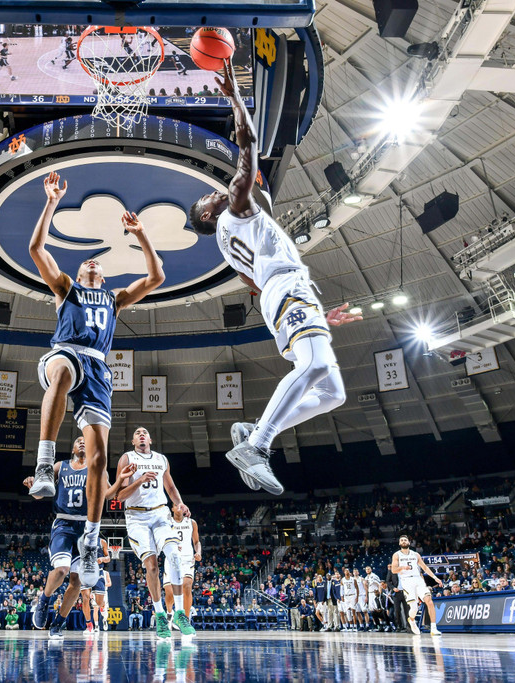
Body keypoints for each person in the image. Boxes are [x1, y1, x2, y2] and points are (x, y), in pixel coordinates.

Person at [187, 59, 360, 494]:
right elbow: (248, 146)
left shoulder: (228, 241)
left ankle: (256, 428)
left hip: (282, 292)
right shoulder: (234, 206)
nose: (214, 191)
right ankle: (257, 445)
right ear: (209, 213)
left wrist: (311, 312)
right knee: (315, 364)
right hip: (286, 288)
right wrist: (233, 99)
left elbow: (253, 282)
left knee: (333, 392)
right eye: (207, 198)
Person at [26, 170, 165, 590]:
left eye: (97, 264)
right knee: (62, 372)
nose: (91, 262)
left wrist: (140, 235)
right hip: (66, 352)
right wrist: (50, 201)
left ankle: (90, 540)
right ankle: (45, 463)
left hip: (99, 368)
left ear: (103, 278)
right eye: (87, 261)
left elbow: (156, 277)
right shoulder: (65, 287)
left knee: (100, 459)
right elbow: (36, 249)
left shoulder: (114, 298)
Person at [24, 436, 135, 638]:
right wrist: (33, 486)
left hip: (86, 526)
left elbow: (109, 495)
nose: (82, 442)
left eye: (86, 440)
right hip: (64, 524)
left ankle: (58, 623)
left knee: (77, 580)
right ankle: (44, 600)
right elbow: (40, 494)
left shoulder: (96, 468)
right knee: (61, 570)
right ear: (73, 447)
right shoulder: (60, 466)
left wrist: (119, 480)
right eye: (78, 440)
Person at [115, 426, 192, 640]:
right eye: (137, 432)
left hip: (160, 514)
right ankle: (159, 615)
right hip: (137, 517)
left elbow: (171, 488)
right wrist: (139, 480)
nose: (141, 434)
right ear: (133, 441)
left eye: (144, 432)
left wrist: (180, 503)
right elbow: (119, 496)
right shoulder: (127, 458)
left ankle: (178, 614)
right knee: (151, 565)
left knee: (174, 556)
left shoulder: (161, 459)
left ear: (150, 439)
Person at [391, 534, 443, 636]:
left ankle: (433, 628)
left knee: (429, 601)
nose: (403, 541)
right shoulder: (396, 555)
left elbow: (425, 568)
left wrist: (435, 578)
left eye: (405, 540)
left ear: (409, 542)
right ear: (399, 543)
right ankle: (411, 620)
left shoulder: (415, 554)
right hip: (406, 581)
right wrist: (402, 568)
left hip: (418, 579)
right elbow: (393, 570)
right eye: (401, 540)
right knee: (414, 608)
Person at [164, 503, 200, 636]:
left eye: (181, 506)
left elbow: (196, 542)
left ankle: (185, 620)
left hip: (187, 559)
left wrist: (198, 552)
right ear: (172, 509)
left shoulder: (191, 522)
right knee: (170, 593)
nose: (179, 508)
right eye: (176, 506)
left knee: (187, 586)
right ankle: (169, 613)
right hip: (171, 558)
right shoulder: (167, 522)